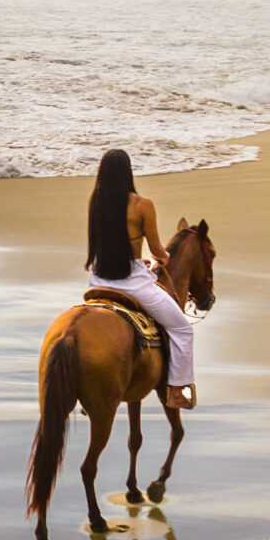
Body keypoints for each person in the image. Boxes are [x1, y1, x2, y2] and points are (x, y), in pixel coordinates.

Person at [82, 148, 198, 409]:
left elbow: (102, 246)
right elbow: (157, 250)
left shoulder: (96, 202)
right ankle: (177, 392)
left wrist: (138, 259)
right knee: (183, 330)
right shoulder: (142, 205)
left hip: (99, 280)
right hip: (133, 284)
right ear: (128, 172)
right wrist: (162, 257)